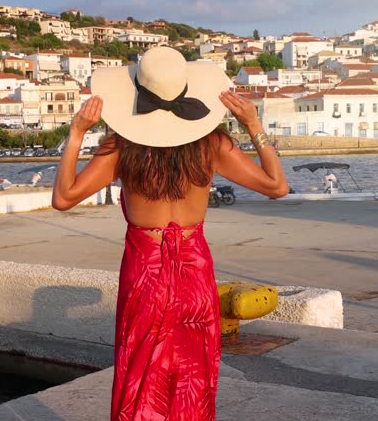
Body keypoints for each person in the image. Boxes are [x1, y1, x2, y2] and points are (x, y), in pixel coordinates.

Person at [52, 47, 288, 420]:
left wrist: (77, 132)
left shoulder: (120, 148)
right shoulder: (212, 144)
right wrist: (253, 126)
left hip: (145, 275)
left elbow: (64, 198)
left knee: (142, 374)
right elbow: (277, 186)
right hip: (194, 273)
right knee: (194, 373)